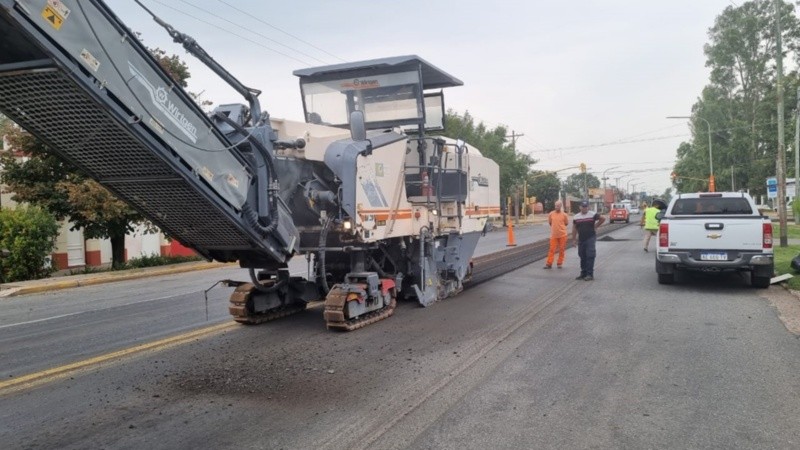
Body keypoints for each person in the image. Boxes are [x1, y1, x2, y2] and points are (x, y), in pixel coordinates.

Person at [571, 200, 605, 281]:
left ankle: (590, 274)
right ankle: (583, 273)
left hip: (590, 237)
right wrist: (574, 239)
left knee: (590, 255)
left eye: (586, 207)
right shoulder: (576, 217)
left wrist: (596, 226)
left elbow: (602, 219)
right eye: (583, 207)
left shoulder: (593, 214)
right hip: (581, 238)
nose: (584, 208)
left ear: (588, 207)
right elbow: (574, 228)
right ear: (580, 207)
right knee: (582, 255)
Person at [543, 200, 569, 269]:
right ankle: (549, 263)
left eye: (558, 206)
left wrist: (560, 228)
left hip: (562, 235)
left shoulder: (564, 215)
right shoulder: (551, 214)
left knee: (562, 249)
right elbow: (550, 223)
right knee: (552, 249)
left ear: (560, 206)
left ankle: (559, 263)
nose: (556, 207)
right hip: (554, 235)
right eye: (555, 205)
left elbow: (566, 223)